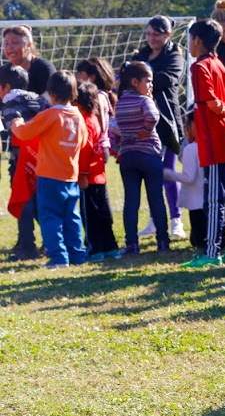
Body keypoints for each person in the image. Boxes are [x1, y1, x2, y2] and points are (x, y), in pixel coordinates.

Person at [183, 19, 225, 267]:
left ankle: (212, 252)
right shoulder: (220, 65)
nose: (189, 44)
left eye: (190, 39)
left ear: (197, 40)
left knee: (213, 199)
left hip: (215, 140)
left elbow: (211, 103)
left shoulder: (200, 67)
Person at [9, 71, 88, 269]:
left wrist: (16, 123)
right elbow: (84, 141)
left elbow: (25, 133)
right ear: (73, 93)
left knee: (50, 216)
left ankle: (59, 258)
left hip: (49, 176)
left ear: (51, 93)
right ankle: (77, 255)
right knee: (72, 217)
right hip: (70, 176)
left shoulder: (50, 114)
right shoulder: (78, 115)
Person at [2, 25, 56, 261]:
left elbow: (52, 99)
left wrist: (26, 115)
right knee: (20, 187)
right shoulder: (5, 73)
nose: (10, 48)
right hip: (17, 143)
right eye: (6, 44)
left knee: (42, 193)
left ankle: (51, 241)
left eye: (15, 42)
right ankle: (26, 242)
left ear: (29, 44)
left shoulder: (43, 68)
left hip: (43, 143)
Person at [133, 15, 186, 240]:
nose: (151, 38)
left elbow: (167, 79)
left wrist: (143, 78)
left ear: (168, 35)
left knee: (167, 171)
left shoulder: (175, 55)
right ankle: (155, 219)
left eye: (156, 34)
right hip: (143, 121)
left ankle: (176, 220)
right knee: (150, 173)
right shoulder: (141, 55)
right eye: (149, 34)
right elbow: (129, 78)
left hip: (166, 122)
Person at [110, 62, 170, 255]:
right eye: (148, 81)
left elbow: (117, 126)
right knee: (156, 199)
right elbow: (152, 117)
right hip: (148, 155)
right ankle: (162, 241)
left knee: (131, 201)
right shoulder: (145, 101)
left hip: (128, 156)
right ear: (135, 82)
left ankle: (131, 244)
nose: (151, 86)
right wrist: (145, 131)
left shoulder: (120, 103)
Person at [75, 82, 119, 262]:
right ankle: (111, 248)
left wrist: (83, 175)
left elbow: (86, 151)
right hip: (100, 176)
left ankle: (95, 250)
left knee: (91, 216)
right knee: (103, 214)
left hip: (89, 178)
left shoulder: (85, 122)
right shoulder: (95, 120)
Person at [164, 115, 206, 250]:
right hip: (207, 199)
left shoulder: (190, 149)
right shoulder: (208, 145)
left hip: (195, 202)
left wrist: (169, 174)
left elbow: (189, 177)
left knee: (198, 241)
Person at [75, 57, 117, 161]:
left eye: (80, 73)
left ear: (92, 78)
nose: (77, 76)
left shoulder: (98, 96)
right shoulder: (98, 95)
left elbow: (100, 127)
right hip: (94, 146)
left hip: (97, 148)